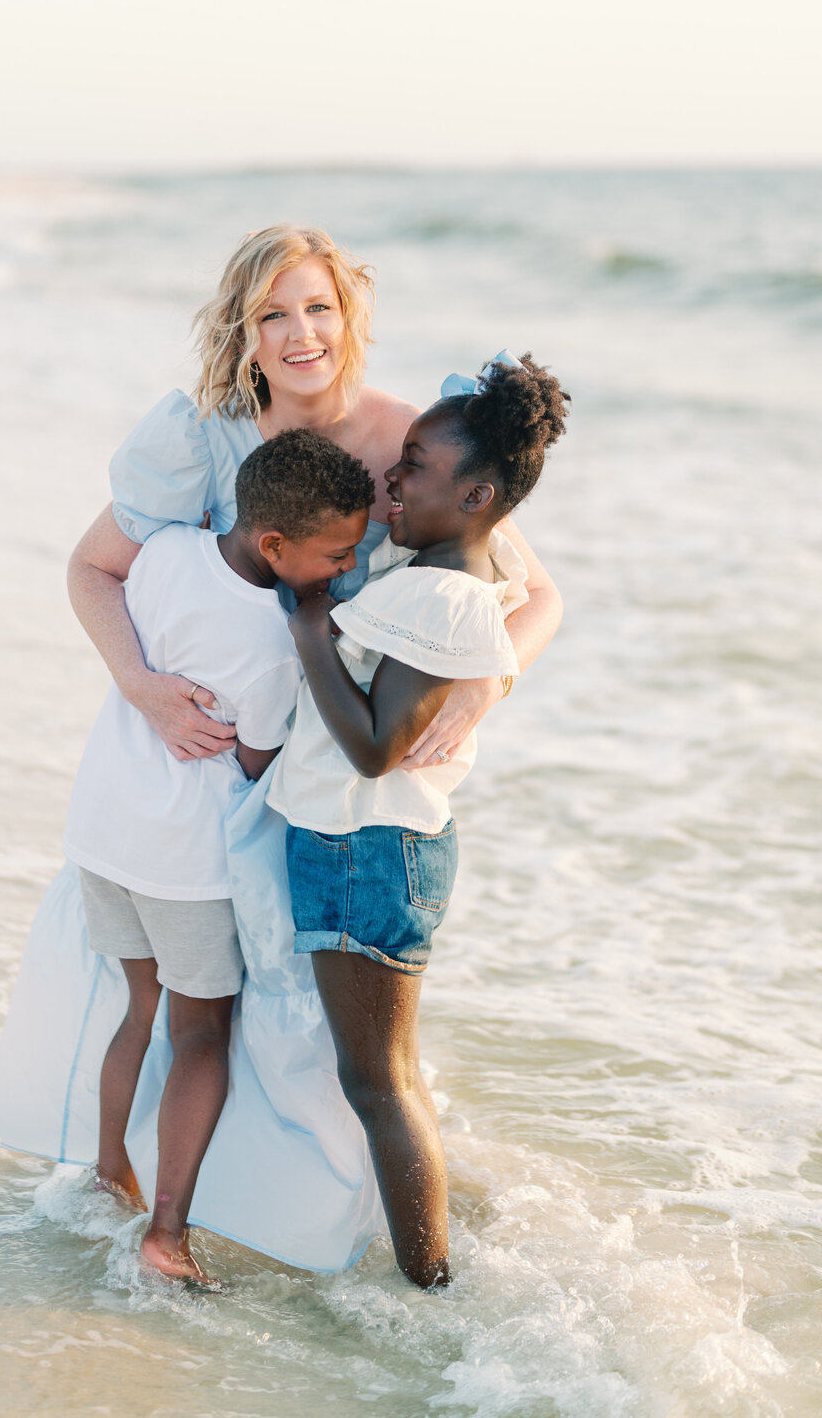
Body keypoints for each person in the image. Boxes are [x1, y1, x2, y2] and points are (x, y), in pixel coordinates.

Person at [0, 226, 564, 1275]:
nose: (302, 334)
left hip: (345, 783)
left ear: (352, 314)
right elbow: (92, 569)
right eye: (275, 313)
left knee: (328, 1039)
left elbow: (534, 594)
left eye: (320, 308)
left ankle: (353, 1238)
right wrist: (144, 689)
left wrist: (482, 686)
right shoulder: (200, 440)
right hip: (214, 777)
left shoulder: (410, 444)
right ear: (244, 333)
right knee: (222, 1015)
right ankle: (223, 1217)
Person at [272, 353, 569, 1287]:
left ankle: (429, 1285)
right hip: (375, 845)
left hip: (364, 846)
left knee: (378, 1081)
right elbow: (519, 567)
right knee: (388, 1072)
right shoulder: (455, 564)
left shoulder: (439, 596)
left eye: (413, 466)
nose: (389, 478)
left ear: (477, 494)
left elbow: (372, 746)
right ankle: (430, 1250)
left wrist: (310, 621)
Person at [63, 429, 373, 1284]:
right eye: (336, 553)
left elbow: (114, 595)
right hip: (186, 861)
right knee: (201, 1033)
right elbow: (256, 755)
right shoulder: (279, 639)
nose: (344, 569)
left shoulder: (162, 551)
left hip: (105, 829)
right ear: (275, 545)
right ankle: (166, 1232)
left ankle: (106, 1174)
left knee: (137, 1007)